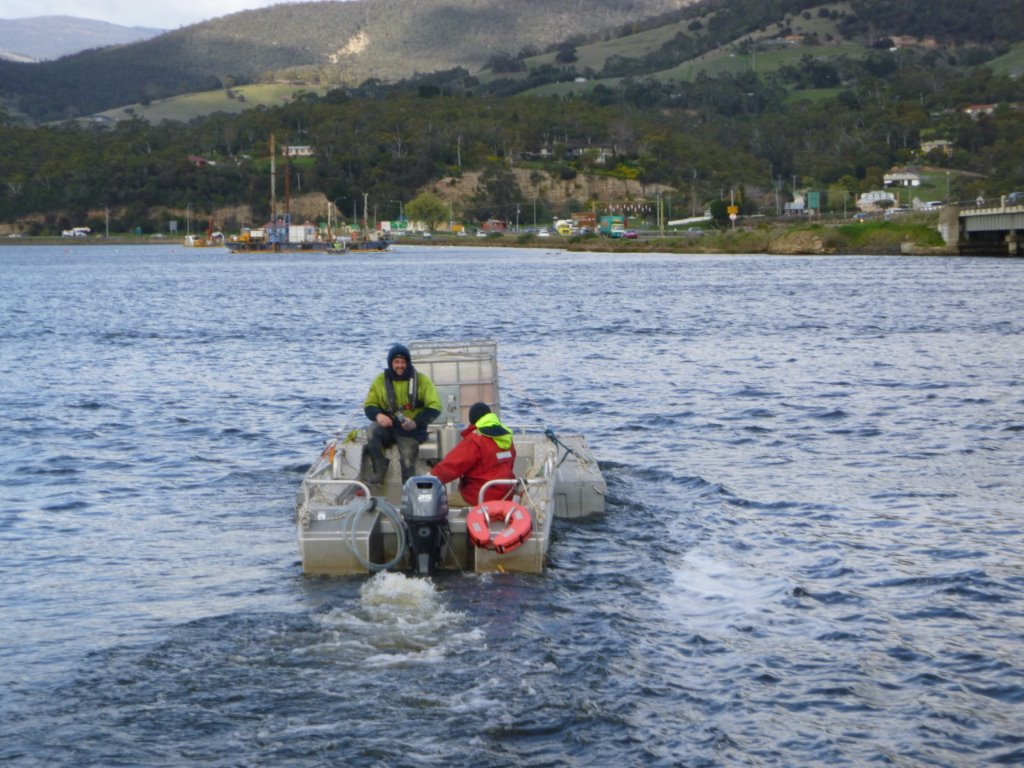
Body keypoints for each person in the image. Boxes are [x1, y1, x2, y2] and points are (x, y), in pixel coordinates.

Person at [363, 343, 441, 485]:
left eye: (403, 362)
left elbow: (435, 407)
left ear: (408, 363)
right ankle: (379, 472)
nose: (400, 366)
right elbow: (369, 405)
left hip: (410, 431)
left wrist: (416, 422)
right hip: (389, 427)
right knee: (371, 431)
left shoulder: (422, 381)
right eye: (396, 362)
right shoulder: (380, 381)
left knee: (407, 459)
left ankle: (408, 486)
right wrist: (378, 416)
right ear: (390, 363)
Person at [430, 402, 516, 506]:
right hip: (505, 497)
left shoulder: (475, 440)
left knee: (436, 502)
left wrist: (429, 478)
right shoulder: (507, 438)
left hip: (479, 497)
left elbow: (452, 466)